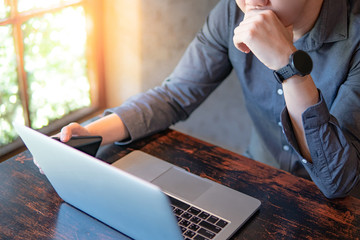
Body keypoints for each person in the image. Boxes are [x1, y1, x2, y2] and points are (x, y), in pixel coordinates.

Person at [56, 0, 360, 199]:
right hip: (260, 183)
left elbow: (336, 181)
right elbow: (175, 95)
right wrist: (93, 133)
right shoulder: (231, 13)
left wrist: (288, 66)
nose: (253, 1)